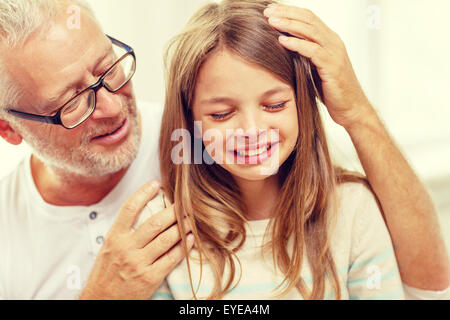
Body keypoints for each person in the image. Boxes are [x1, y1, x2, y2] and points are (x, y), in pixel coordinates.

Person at [0, 0, 447, 300]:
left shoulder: (347, 209)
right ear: (10, 129)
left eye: (108, 68)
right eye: (73, 102)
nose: (114, 106)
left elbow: (428, 285)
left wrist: (357, 113)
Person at [143, 0, 449, 300]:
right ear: (189, 119)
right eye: (221, 114)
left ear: (303, 104)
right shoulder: (160, 224)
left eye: (274, 105)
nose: (251, 131)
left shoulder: (352, 210)